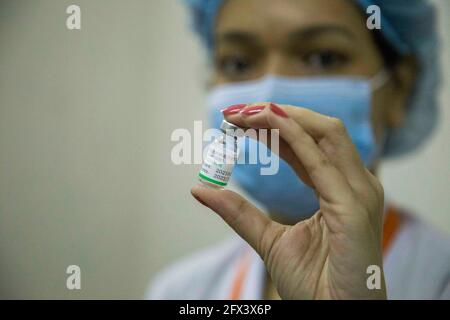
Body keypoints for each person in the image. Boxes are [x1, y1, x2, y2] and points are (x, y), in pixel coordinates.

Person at [147, 0, 450, 299]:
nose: (270, 92)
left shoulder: (439, 279)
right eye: (238, 63)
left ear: (399, 87)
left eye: (323, 57)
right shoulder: (181, 291)